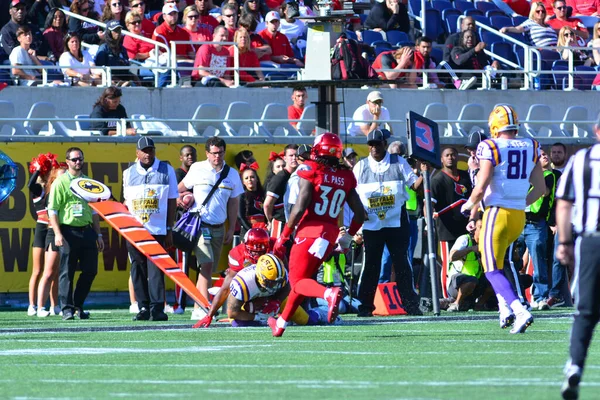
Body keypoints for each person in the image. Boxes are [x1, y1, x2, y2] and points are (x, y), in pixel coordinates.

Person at [460, 104, 546, 334]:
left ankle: (519, 310)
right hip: (518, 216)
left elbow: (482, 185)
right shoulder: (532, 145)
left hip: (496, 214)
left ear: (495, 126)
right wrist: (520, 203)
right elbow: (540, 189)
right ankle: (504, 309)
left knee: (491, 270)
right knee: (497, 264)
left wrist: (468, 205)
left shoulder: (490, 145)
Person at [268, 133, 365, 337]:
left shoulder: (310, 169)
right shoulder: (346, 175)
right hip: (329, 234)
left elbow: (299, 206)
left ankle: (327, 293)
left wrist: (284, 235)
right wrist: (348, 235)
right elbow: (360, 214)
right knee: (302, 281)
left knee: (297, 282)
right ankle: (281, 324)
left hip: (309, 231)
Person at [353, 129, 424, 317]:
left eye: (377, 143)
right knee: (371, 266)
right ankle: (365, 307)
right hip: (371, 225)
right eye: (371, 144)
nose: (374, 147)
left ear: (385, 144)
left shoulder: (398, 162)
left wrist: (424, 174)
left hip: (396, 222)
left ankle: (410, 304)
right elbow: (352, 194)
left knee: (402, 264)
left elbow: (413, 186)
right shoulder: (360, 167)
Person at [555, 116, 600, 400]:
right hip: (589, 239)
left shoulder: (581, 160)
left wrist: (564, 241)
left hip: (591, 240)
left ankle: (575, 366)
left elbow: (564, 202)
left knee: (585, 310)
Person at [178, 136, 244, 319]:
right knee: (206, 265)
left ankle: (199, 306)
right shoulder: (197, 168)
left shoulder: (231, 174)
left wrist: (231, 229)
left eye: (220, 153)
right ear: (207, 153)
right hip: (200, 224)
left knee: (209, 268)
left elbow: (233, 202)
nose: (217, 156)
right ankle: (203, 306)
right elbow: (179, 188)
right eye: (214, 153)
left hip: (219, 226)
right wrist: (181, 199)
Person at [124, 137, 178, 322]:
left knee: (156, 269)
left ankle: (157, 308)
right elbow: (126, 203)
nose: (148, 154)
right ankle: (143, 307)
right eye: (144, 151)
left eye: (151, 150)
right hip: (134, 229)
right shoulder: (128, 173)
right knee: (137, 268)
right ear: (137, 153)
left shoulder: (166, 169)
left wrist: (170, 227)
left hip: (157, 229)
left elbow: (172, 201)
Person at [47, 147, 104, 321]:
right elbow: (53, 210)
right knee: (67, 271)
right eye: (74, 159)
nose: (77, 162)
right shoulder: (60, 182)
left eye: (80, 159)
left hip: (87, 231)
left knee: (90, 270)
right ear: (68, 162)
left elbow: (94, 211)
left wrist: (99, 234)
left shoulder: (88, 182)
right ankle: (66, 308)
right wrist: (57, 233)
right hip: (68, 231)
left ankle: (77, 304)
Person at [193, 228, 273, 326]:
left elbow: (286, 279)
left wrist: (277, 301)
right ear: (245, 245)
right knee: (236, 319)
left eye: (261, 252)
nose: (257, 255)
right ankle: (261, 318)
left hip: (273, 289)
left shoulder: (275, 248)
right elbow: (226, 289)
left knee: (294, 314)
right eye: (254, 251)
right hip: (250, 293)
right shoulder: (238, 255)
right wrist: (209, 315)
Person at [515, 148, 556, 310]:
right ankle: (514, 295)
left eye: (545, 154)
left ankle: (540, 297)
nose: (545, 156)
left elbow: (544, 192)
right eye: (541, 155)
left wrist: (530, 176)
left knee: (538, 261)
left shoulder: (548, 175)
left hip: (536, 224)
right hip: (518, 221)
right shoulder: (520, 176)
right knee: (511, 259)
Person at [431, 147, 472, 298]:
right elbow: (429, 205)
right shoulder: (437, 180)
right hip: (446, 230)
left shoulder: (465, 177)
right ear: (441, 159)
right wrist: (429, 216)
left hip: (466, 228)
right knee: (448, 264)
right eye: (447, 155)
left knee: (467, 261)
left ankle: (466, 295)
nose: (450, 157)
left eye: (453, 155)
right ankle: (446, 297)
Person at [27, 153, 60, 316]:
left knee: (53, 271)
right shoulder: (38, 189)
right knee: (38, 270)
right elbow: (29, 184)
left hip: (53, 230)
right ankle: (32, 305)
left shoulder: (54, 187)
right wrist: (38, 170)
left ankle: (55, 306)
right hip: (41, 230)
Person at [36, 164, 67, 318]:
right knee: (48, 272)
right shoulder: (51, 193)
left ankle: (58, 306)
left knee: (61, 273)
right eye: (61, 175)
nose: (65, 177)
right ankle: (40, 306)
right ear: (54, 179)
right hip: (53, 232)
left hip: (67, 231)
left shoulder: (69, 190)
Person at [447, 215, 493, 311]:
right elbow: (452, 257)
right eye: (480, 227)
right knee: (471, 280)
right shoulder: (465, 239)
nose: (483, 230)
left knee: (496, 279)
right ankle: (456, 303)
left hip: (476, 282)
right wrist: (470, 249)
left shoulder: (487, 243)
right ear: (474, 229)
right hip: (457, 282)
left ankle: (479, 305)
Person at [153, 2, 195, 87]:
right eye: (170, 14)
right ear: (164, 16)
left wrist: (198, 62)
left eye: (175, 13)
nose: (173, 16)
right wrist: (187, 60)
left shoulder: (184, 32)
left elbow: (192, 53)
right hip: (169, 66)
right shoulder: (159, 32)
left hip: (185, 65)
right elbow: (166, 56)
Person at [263, 144, 298, 237]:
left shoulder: (299, 175)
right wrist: (272, 221)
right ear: (285, 158)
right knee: (277, 250)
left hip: (294, 223)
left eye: (296, 155)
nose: (294, 158)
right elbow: (267, 205)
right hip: (280, 223)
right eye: (291, 155)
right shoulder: (280, 177)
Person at [95, 20, 140, 86]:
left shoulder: (122, 49)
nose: (118, 33)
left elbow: (126, 68)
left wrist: (134, 77)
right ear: (109, 32)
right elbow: (100, 70)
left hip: (124, 80)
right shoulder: (104, 48)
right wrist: (117, 80)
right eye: (115, 30)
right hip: (110, 81)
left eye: (119, 30)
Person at [238, 165, 266, 235]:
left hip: (263, 231)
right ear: (243, 182)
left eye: (252, 177)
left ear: (257, 179)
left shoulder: (263, 194)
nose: (249, 180)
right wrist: (251, 230)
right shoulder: (242, 196)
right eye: (246, 178)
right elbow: (240, 217)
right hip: (248, 232)